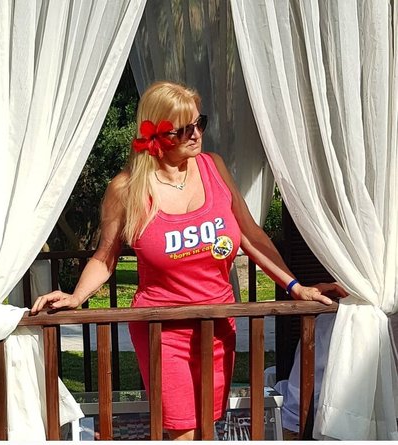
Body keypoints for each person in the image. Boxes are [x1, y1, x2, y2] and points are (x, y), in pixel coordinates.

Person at [31, 80, 347, 440]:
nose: (196, 135)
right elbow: (105, 257)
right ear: (155, 134)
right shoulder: (127, 189)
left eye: (200, 123)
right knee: (183, 431)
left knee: (208, 427)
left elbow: (250, 236)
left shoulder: (214, 167)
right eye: (183, 130)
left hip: (218, 324)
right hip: (161, 328)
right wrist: (76, 296)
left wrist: (295, 287)